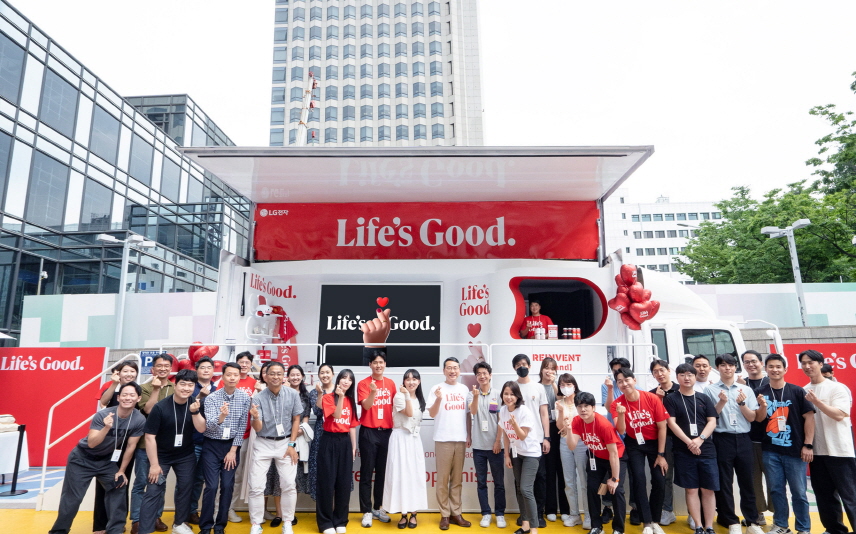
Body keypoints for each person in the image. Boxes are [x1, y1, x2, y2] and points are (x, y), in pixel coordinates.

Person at [50, 382, 145, 534]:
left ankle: (115, 530)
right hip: (82, 459)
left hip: (106, 461)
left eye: (132, 395)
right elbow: (92, 443)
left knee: (118, 486)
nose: (128, 398)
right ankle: (58, 531)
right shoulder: (103, 415)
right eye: (124, 395)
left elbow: (130, 446)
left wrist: (121, 471)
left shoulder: (139, 419)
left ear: (138, 398)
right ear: (118, 398)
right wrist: (106, 427)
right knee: (73, 498)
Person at [753, 353, 815, 534]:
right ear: (766, 369)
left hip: (795, 451)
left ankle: (803, 528)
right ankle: (781, 525)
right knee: (776, 490)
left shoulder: (797, 391)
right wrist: (762, 406)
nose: (775, 370)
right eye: (771, 366)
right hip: (770, 450)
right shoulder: (760, 393)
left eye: (778, 366)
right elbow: (758, 419)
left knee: (799, 492)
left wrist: (808, 445)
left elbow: (809, 418)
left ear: (785, 369)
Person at [140, 369, 205, 534]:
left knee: (185, 488)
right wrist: (154, 465)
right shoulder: (160, 407)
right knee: (153, 490)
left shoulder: (195, 405)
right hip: (161, 456)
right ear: (175, 385)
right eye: (183, 384)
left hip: (185, 455)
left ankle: (179, 524)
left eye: (190, 385)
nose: (186, 388)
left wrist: (195, 412)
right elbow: (149, 437)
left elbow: (201, 429)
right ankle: (145, 530)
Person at [704, 354, 763, 534]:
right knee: (725, 482)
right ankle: (731, 520)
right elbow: (710, 417)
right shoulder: (710, 390)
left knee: (747, 481)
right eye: (723, 365)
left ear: (735, 367)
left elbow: (752, 418)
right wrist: (722, 402)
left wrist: (742, 403)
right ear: (717, 368)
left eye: (731, 365)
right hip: (722, 439)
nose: (727, 368)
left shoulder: (746, 390)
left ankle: (752, 521)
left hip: (744, 439)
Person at [801, 349, 856, 534]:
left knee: (850, 496)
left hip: (839, 451)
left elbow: (840, 414)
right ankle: (834, 530)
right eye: (804, 363)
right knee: (824, 496)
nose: (807, 366)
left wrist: (817, 402)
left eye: (811, 362)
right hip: (817, 452)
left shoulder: (837, 388)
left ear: (820, 363)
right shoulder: (803, 390)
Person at [247, 360, 303, 534]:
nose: (275, 377)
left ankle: (287, 522)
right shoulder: (258, 397)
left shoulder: (292, 394)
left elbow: (296, 419)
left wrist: (292, 444)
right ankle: (256, 524)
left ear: (283, 376)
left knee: (289, 484)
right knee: (256, 486)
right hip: (263, 442)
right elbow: (258, 428)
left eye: (279, 373)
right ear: (266, 376)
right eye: (272, 373)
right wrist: (256, 417)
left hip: (286, 442)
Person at [610, 367, 669, 534]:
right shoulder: (616, 404)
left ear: (634, 380)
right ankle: (647, 522)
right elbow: (621, 431)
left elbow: (662, 427)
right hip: (634, 443)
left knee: (659, 480)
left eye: (627, 380)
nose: (624, 384)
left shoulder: (651, 398)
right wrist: (622, 414)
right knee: (639, 479)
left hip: (655, 443)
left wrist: (661, 454)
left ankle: (655, 520)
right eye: (620, 382)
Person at [663, 363, 719, 534]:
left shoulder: (704, 398)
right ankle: (698, 526)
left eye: (690, 375)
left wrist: (700, 439)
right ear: (677, 377)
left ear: (695, 377)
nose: (686, 378)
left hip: (706, 449)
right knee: (692, 489)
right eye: (682, 375)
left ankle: (709, 526)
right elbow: (671, 423)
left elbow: (712, 421)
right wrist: (690, 442)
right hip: (683, 450)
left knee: (708, 489)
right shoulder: (671, 398)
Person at [199, 362, 251, 534]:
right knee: (212, 486)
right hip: (212, 446)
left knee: (228, 486)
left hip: (231, 447)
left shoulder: (244, 398)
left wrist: (233, 450)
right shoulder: (212, 398)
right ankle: (206, 526)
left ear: (239, 377)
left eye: (235, 375)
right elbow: (209, 426)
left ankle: (220, 525)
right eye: (229, 374)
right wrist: (221, 416)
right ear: (222, 376)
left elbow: (242, 426)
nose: (232, 378)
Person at [568, 392, 627, 534]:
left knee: (616, 490)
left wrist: (614, 478)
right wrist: (569, 430)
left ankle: (618, 529)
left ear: (593, 407)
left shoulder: (603, 425)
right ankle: (596, 527)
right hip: (596, 457)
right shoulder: (576, 421)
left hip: (616, 457)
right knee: (592, 488)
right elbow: (571, 446)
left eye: (586, 406)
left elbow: (613, 453)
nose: (583, 409)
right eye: (579, 406)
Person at [93, 361, 140, 534]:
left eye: (132, 371)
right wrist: (114, 384)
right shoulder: (111, 386)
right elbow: (103, 402)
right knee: (102, 486)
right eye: (125, 371)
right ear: (118, 373)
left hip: (127, 444)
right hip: (107, 444)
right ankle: (100, 525)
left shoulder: (136, 390)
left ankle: (118, 523)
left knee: (122, 483)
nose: (129, 374)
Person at [131, 353, 175, 534]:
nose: (163, 368)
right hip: (144, 444)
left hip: (164, 446)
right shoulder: (144, 388)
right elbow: (148, 410)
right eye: (159, 366)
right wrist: (156, 389)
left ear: (171, 368)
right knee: (141, 482)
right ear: (153, 369)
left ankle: (156, 516)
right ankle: (136, 520)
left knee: (159, 483)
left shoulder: (175, 388)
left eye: (166, 366)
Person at [430, 356, 473, 530]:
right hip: (443, 439)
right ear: (444, 371)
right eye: (449, 368)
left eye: (455, 368)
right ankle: (445, 515)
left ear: (459, 370)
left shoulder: (464, 389)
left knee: (457, 479)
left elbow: (468, 414)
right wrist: (439, 399)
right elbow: (432, 413)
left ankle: (456, 513)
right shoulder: (436, 388)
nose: (452, 371)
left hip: (460, 439)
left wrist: (468, 435)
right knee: (442, 480)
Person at [382, 369, 428, 529]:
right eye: (408, 379)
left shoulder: (420, 399)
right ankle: (403, 514)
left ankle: (414, 513)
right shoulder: (399, 396)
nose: (411, 382)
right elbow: (408, 413)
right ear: (403, 382)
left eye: (414, 379)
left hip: (414, 440)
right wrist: (407, 395)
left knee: (414, 476)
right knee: (400, 475)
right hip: (400, 438)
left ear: (419, 381)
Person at [316, 369, 360, 534]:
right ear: (338, 379)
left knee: (343, 483)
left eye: (350, 379)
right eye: (343, 378)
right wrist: (340, 397)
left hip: (345, 442)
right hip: (329, 440)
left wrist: (353, 447)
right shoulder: (328, 397)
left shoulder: (351, 400)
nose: (346, 381)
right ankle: (325, 522)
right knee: (326, 483)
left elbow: (352, 426)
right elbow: (336, 414)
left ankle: (340, 520)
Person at [357, 352, 396, 527]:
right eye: (375, 362)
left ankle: (378, 508)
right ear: (370, 365)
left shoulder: (391, 383)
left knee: (382, 473)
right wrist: (373, 392)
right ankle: (366, 511)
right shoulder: (363, 383)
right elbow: (366, 405)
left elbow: (397, 406)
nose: (378, 365)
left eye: (381, 362)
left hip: (386, 432)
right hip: (368, 432)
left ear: (385, 364)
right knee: (366, 473)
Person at [466, 362, 506, 529]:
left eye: (484, 373)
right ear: (476, 377)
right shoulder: (471, 395)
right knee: (481, 482)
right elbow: (473, 412)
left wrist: (497, 441)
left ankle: (500, 514)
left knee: (499, 482)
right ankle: (486, 513)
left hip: (496, 446)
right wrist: (476, 396)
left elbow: (502, 420)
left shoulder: (498, 394)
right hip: (478, 447)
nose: (482, 376)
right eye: (478, 374)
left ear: (490, 375)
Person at [511, 354, 550, 529]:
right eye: (518, 365)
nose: (522, 367)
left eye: (524, 364)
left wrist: (546, 437)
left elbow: (544, 413)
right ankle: (525, 515)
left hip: (537, 440)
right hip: (517, 441)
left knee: (540, 477)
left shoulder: (538, 387)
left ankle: (539, 514)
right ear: (514, 368)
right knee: (519, 481)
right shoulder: (512, 388)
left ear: (530, 366)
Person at [499, 381, 542, 534]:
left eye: (512, 394)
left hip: (531, 453)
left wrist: (515, 424)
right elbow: (505, 434)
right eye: (506, 393)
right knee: (519, 488)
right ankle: (525, 524)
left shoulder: (524, 411)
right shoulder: (503, 410)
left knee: (526, 489)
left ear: (517, 396)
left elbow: (522, 436)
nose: (508, 397)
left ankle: (534, 527)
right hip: (516, 453)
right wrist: (506, 455)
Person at [739, 349, 772, 526]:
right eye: (747, 362)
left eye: (754, 361)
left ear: (761, 363)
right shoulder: (740, 385)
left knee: (774, 480)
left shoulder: (770, 383)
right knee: (753, 481)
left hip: (771, 440)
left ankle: (779, 517)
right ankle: (757, 514)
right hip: (749, 439)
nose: (751, 365)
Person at [538, 357, 570, 524]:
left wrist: (554, 384)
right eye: (546, 368)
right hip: (544, 430)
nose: (549, 371)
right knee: (548, 471)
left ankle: (565, 509)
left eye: (552, 368)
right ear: (541, 369)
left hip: (560, 429)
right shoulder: (536, 387)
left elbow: (561, 400)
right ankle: (550, 509)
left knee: (562, 470)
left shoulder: (558, 387)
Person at [228, 351, 259, 524]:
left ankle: (230, 508)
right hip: (227, 437)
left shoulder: (254, 383)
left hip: (247, 435)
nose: (244, 365)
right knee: (224, 476)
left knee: (238, 475)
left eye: (247, 362)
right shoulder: (228, 380)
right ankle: (218, 509)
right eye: (241, 362)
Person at [649, 359, 679, 527]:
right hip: (664, 439)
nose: (659, 374)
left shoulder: (681, 388)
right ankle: (667, 510)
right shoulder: (651, 394)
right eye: (655, 372)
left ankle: (694, 513)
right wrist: (658, 400)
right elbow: (652, 419)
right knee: (665, 475)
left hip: (684, 438)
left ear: (669, 370)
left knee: (691, 476)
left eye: (662, 370)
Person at [555, 373, 587, 528]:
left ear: (574, 385)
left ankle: (589, 515)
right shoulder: (558, 403)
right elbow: (559, 426)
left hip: (581, 442)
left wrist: (572, 426)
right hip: (564, 441)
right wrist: (561, 412)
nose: (566, 387)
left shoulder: (581, 400)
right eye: (562, 385)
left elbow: (586, 421)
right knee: (569, 481)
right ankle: (574, 515)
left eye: (568, 384)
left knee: (584, 480)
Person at [189, 356, 218, 525]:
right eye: (202, 367)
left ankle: (192, 511)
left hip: (210, 442)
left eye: (209, 367)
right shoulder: (190, 387)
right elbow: (188, 409)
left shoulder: (217, 389)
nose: (206, 370)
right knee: (186, 479)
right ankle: (182, 514)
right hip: (192, 440)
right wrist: (200, 396)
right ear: (196, 370)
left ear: (213, 371)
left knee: (200, 479)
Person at [308, 363, 336, 501]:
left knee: (335, 468)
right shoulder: (314, 392)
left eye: (327, 372)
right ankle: (321, 504)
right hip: (321, 432)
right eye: (322, 373)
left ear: (333, 374)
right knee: (319, 467)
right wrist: (320, 394)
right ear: (318, 375)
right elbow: (318, 411)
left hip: (337, 431)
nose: (325, 375)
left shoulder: (339, 390)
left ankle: (335, 503)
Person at [286, 364, 312, 503]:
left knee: (296, 476)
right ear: (288, 377)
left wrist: (299, 430)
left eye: (298, 375)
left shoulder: (306, 395)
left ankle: (291, 510)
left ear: (302, 377)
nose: (295, 377)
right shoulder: (282, 392)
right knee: (284, 476)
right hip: (283, 437)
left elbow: (305, 418)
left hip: (299, 438)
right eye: (292, 375)